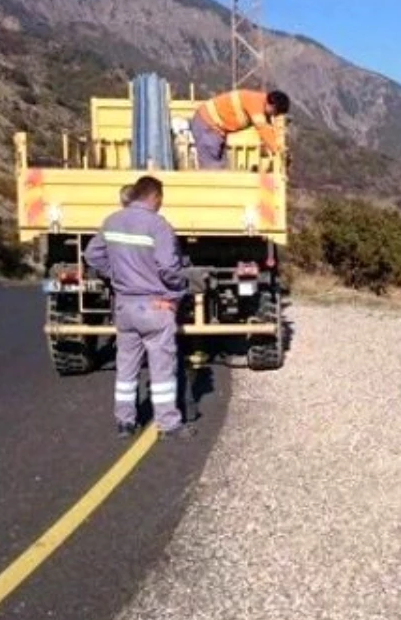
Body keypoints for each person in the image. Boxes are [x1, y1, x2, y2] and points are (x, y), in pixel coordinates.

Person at [83, 175, 189, 439]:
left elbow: (91, 255)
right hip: (154, 305)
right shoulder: (158, 225)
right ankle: (168, 424)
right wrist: (179, 287)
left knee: (126, 366)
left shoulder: (112, 221)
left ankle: (125, 422)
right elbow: (167, 267)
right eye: (160, 200)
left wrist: (115, 274)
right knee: (162, 367)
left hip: (124, 306)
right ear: (154, 196)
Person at [191, 88, 289, 169]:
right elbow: (263, 129)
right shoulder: (255, 104)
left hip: (213, 128)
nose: (274, 116)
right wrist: (278, 150)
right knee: (212, 169)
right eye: (275, 113)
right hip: (207, 124)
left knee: (221, 167)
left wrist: (277, 147)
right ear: (272, 106)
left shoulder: (259, 101)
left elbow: (268, 129)